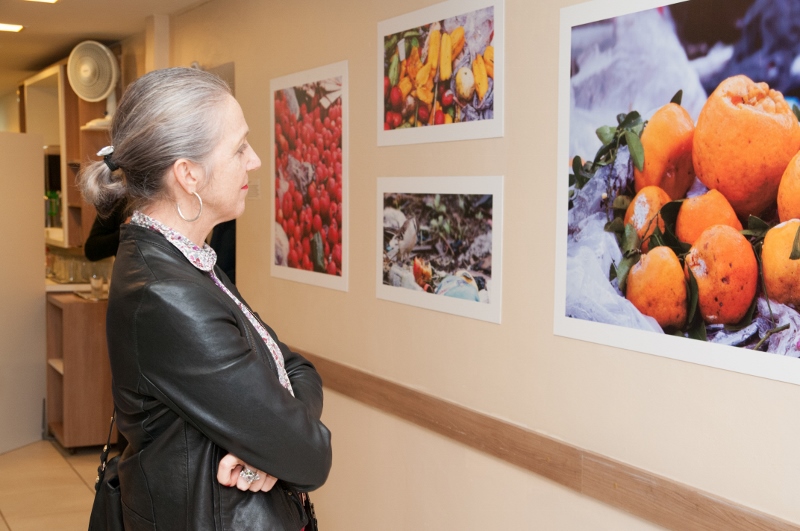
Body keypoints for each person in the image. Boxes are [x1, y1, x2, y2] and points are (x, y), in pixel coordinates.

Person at [78, 67, 332, 530]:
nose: (254, 161)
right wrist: (282, 444)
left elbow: (296, 369)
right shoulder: (167, 293)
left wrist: (270, 451)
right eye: (238, 148)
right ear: (188, 175)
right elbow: (312, 455)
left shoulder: (187, 260)